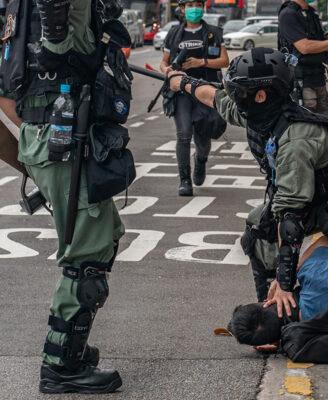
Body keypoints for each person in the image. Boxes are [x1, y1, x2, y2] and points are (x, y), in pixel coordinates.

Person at [168, 48, 328, 315]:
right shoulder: (257, 113)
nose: (234, 95)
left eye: (238, 90)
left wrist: (285, 281)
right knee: (256, 232)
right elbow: (213, 96)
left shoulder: (296, 140)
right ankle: (272, 308)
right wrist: (180, 81)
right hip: (316, 199)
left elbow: (290, 218)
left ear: (261, 94)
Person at [0, 0, 130, 393]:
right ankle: (61, 364)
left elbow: (9, 94)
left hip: (50, 138)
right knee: (87, 257)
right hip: (64, 140)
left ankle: (72, 344)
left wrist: (34, 151)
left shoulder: (18, 9)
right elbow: (59, 48)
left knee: (104, 235)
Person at [160, 0, 229, 196]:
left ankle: (201, 161)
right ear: (182, 9)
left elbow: (225, 60)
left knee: (203, 138)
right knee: (183, 135)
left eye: (197, 4)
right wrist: (169, 72)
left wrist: (201, 62)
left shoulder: (214, 32)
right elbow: (163, 63)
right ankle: (184, 181)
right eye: (190, 5)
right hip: (181, 93)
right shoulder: (174, 34)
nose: (194, 9)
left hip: (206, 91)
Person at [277, 0, 328, 117]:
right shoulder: (288, 14)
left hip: (318, 77)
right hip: (302, 83)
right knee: (309, 128)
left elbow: (320, 40)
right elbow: (304, 47)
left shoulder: (310, 13)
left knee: (326, 125)